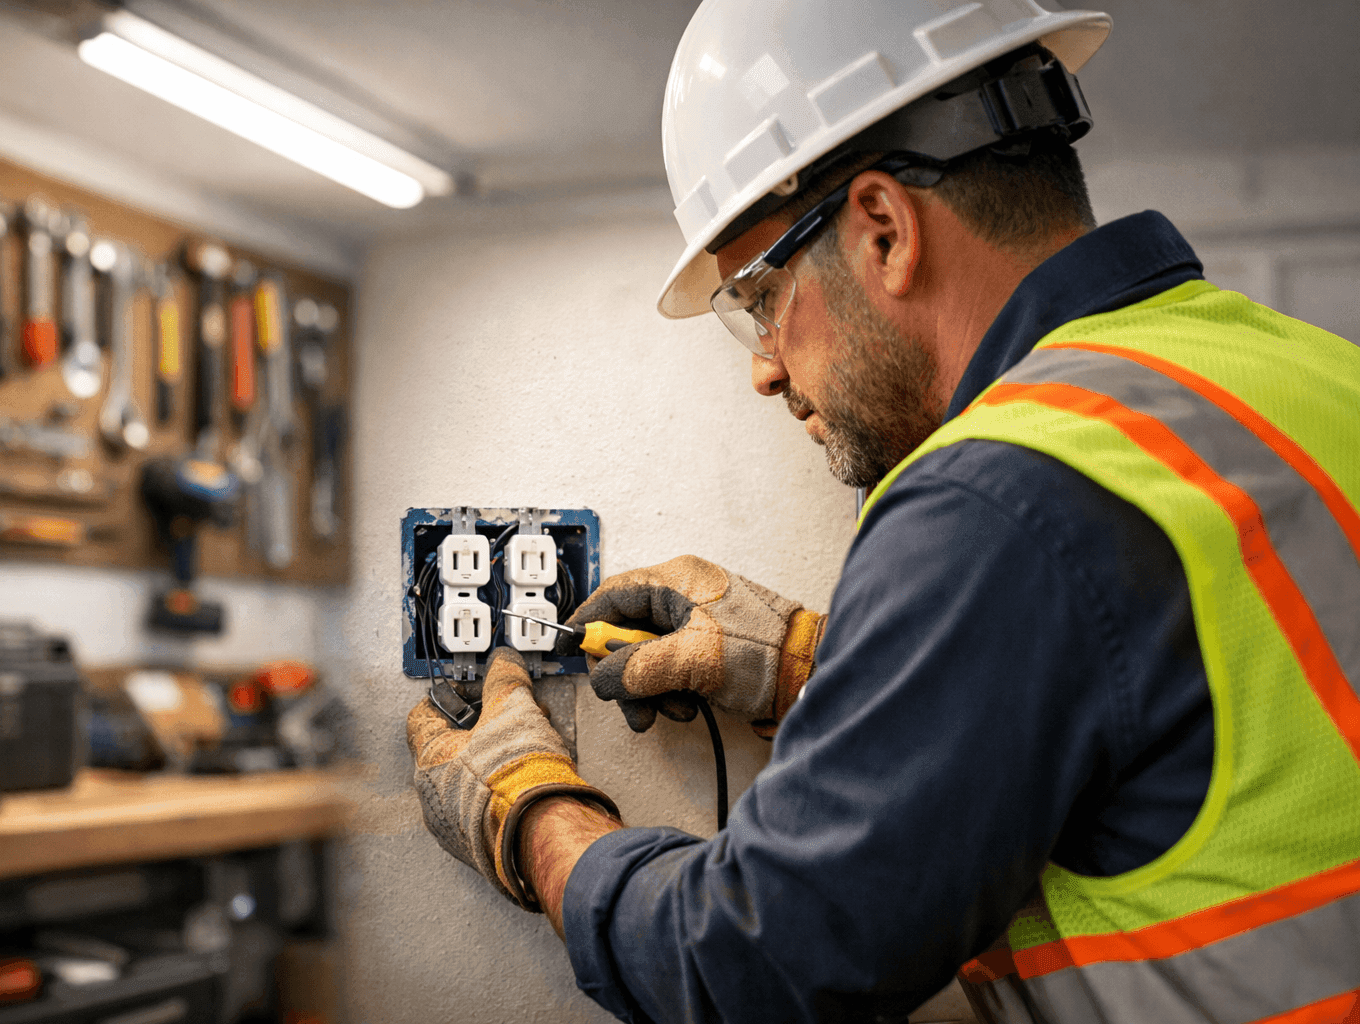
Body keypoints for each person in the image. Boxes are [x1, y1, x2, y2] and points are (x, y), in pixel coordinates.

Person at [406, 1, 1360, 1021]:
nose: (766, 370)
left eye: (761, 300)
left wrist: (531, 816)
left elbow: (756, 961)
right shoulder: (1303, 372)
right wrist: (803, 660)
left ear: (882, 229)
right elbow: (1178, 696)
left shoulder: (998, 492)